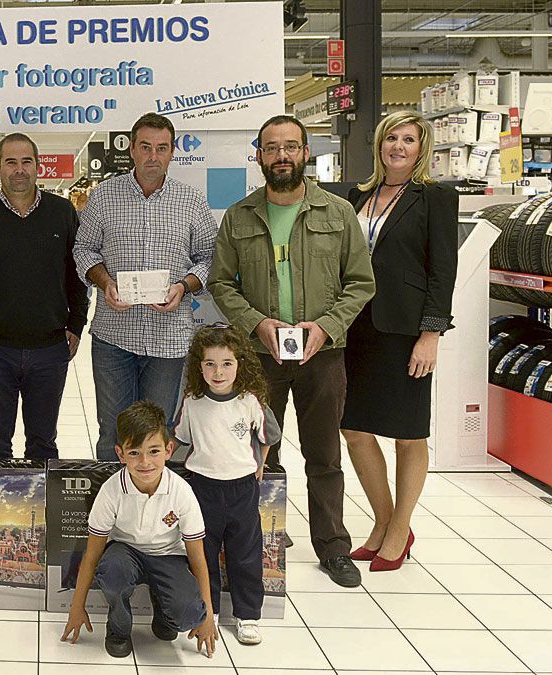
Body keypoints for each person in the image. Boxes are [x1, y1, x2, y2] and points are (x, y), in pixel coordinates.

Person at [207, 114, 375, 588]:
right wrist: (256, 324)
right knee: (257, 454)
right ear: (258, 155)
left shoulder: (337, 213)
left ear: (305, 153)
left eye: (291, 147)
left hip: (322, 355)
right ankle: (258, 544)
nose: (281, 156)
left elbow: (361, 283)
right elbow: (221, 282)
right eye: (271, 148)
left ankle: (333, 547)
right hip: (259, 359)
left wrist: (325, 327)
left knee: (324, 456)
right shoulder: (239, 216)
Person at [342, 111, 459, 571]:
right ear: (379, 144)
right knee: (353, 429)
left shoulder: (435, 198)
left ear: (421, 147)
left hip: (407, 331)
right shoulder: (359, 195)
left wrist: (431, 334)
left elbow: (441, 270)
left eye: (408, 139)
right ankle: (386, 521)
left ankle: (398, 527)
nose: (398, 146)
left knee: (408, 435)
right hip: (357, 329)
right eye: (391, 137)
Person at [73, 113, 218, 460]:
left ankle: (153, 511)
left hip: (169, 340)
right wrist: (105, 282)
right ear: (132, 150)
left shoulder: (192, 201)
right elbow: (83, 249)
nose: (153, 155)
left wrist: (182, 286)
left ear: (171, 153)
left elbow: (211, 258)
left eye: (162, 148)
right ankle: (112, 510)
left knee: (160, 429)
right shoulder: (104, 196)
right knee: (113, 431)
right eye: (146, 147)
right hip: (114, 336)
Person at [0, 133, 89, 459]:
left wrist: (76, 324)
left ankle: (42, 511)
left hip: (49, 349)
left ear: (37, 167)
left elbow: (77, 274)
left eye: (26, 162)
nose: (19, 170)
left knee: (43, 444)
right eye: (11, 162)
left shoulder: (62, 212)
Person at [61, 401, 217, 659]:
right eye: (134, 453)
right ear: (121, 454)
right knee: (113, 572)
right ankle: (119, 628)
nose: (145, 462)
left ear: (168, 450)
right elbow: (91, 555)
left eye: (154, 451)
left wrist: (208, 615)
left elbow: (198, 559)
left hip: (168, 556)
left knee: (190, 613)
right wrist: (77, 607)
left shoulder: (181, 492)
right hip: (125, 552)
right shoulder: (112, 490)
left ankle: (165, 611)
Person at [174, 323, 280, 646]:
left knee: (245, 552)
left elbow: (269, 436)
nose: (218, 372)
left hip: (242, 489)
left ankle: (248, 615)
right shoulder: (193, 401)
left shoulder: (250, 401)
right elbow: (179, 438)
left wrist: (259, 463)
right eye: (210, 364)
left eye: (226, 364)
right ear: (199, 366)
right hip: (202, 489)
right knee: (204, 552)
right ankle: (211, 609)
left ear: (239, 364)